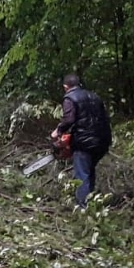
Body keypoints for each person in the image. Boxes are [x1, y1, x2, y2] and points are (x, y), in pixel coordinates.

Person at [50, 74, 112, 207]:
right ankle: (92, 203)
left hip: (84, 141)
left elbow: (69, 119)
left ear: (65, 87)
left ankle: (83, 207)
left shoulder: (70, 98)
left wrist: (58, 131)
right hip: (102, 140)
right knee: (89, 170)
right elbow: (105, 118)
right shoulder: (94, 96)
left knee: (82, 174)